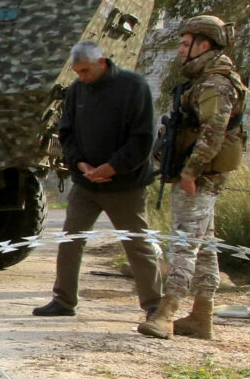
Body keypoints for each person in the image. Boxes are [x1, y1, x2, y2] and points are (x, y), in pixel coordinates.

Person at [138, 15, 249, 341]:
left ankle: (166, 313)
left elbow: (213, 132)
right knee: (205, 247)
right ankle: (202, 316)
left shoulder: (215, 83)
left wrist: (190, 171)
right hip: (200, 177)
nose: (180, 50)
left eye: (186, 44)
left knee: (184, 245)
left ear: (204, 45)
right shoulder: (208, 80)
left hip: (198, 179)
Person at [33, 41, 162, 320]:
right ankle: (64, 300)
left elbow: (142, 139)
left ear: (102, 62)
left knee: (137, 244)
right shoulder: (78, 90)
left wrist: (112, 167)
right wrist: (80, 164)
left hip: (126, 184)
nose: (82, 76)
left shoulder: (134, 86)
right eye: (77, 71)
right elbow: (66, 134)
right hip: (87, 183)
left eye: (86, 70)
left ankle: (153, 306)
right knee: (71, 240)